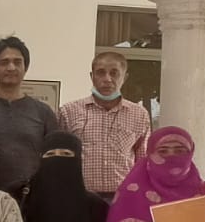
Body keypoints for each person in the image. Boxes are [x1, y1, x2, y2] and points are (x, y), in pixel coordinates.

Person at [57, 50, 152, 200]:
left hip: (123, 198)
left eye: (114, 73)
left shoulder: (139, 114)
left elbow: (142, 161)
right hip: (79, 197)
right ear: (92, 76)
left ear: (124, 77)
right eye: (101, 73)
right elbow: (59, 159)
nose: (107, 79)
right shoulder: (68, 111)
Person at [0, 36, 58, 197]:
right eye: (4, 62)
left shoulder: (43, 112)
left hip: (31, 198)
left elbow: (53, 158)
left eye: (17, 62)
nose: (11, 67)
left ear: (25, 67)